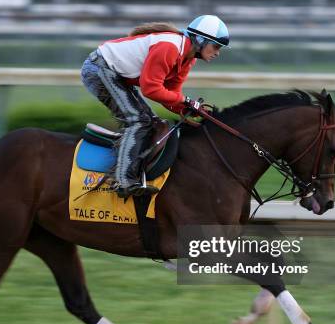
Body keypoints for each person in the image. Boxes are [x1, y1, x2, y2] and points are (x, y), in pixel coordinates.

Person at [81, 14, 229, 198]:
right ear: (200, 40)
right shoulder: (169, 48)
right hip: (99, 69)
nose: (218, 52)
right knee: (139, 121)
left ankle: (133, 172)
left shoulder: (187, 59)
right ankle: (123, 181)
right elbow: (151, 89)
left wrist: (188, 109)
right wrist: (185, 101)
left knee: (152, 122)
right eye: (216, 46)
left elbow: (170, 95)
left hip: (115, 74)